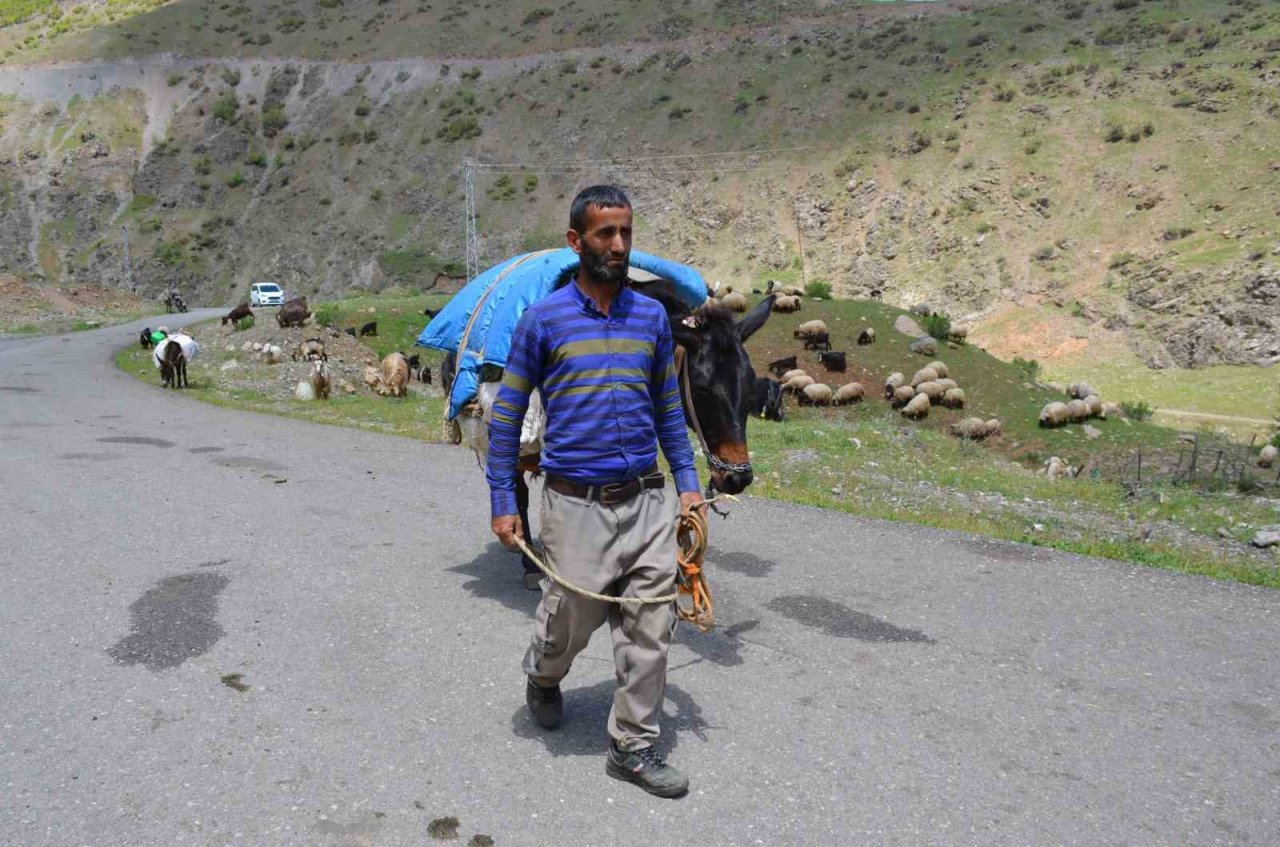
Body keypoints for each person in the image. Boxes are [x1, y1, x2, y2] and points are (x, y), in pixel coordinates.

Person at [486, 185, 703, 799]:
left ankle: (631, 746)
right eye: (605, 234)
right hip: (572, 504)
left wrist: (687, 486)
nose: (618, 244)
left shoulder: (651, 318)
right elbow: (507, 418)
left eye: (626, 232)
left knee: (651, 626)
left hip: (646, 501)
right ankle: (544, 676)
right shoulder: (543, 321)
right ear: (576, 242)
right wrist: (505, 502)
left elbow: (667, 410)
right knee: (568, 623)